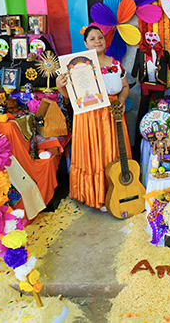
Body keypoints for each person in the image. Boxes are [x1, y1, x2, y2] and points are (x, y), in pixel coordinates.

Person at [56, 25, 131, 210]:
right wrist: (59, 85)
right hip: (87, 117)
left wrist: (121, 100)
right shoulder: (76, 66)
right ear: (85, 43)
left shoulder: (115, 64)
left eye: (101, 37)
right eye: (92, 38)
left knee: (112, 152)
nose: (98, 41)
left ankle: (116, 190)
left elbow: (126, 87)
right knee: (92, 152)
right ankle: (93, 194)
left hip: (112, 115)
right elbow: (67, 95)